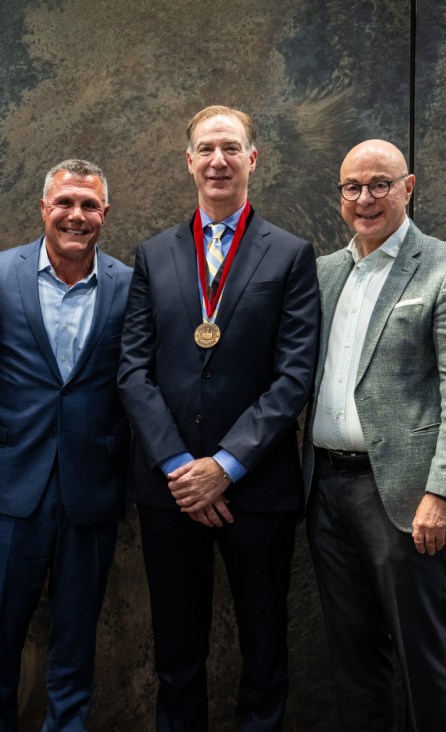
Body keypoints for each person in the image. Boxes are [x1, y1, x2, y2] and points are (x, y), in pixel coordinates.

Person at [118, 105, 320, 731]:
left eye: (231, 148)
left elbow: (294, 378)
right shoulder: (154, 254)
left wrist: (225, 467)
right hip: (170, 489)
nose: (218, 160)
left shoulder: (289, 255)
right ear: (189, 161)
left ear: (252, 159)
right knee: (176, 654)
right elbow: (132, 371)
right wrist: (184, 468)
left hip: (255, 488)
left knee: (264, 647)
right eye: (206, 148)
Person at [302, 139, 446, 731]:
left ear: (408, 187)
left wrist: (445, 491)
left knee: (421, 659)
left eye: (379, 184)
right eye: (352, 188)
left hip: (408, 499)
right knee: (354, 663)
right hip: (325, 492)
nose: (365, 199)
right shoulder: (324, 273)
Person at [0, 159, 132, 731]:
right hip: (11, 489)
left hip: (91, 491)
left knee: (76, 646)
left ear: (105, 214)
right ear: (44, 208)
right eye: (64, 203)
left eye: (89, 206)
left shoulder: (129, 285)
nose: (76, 215)